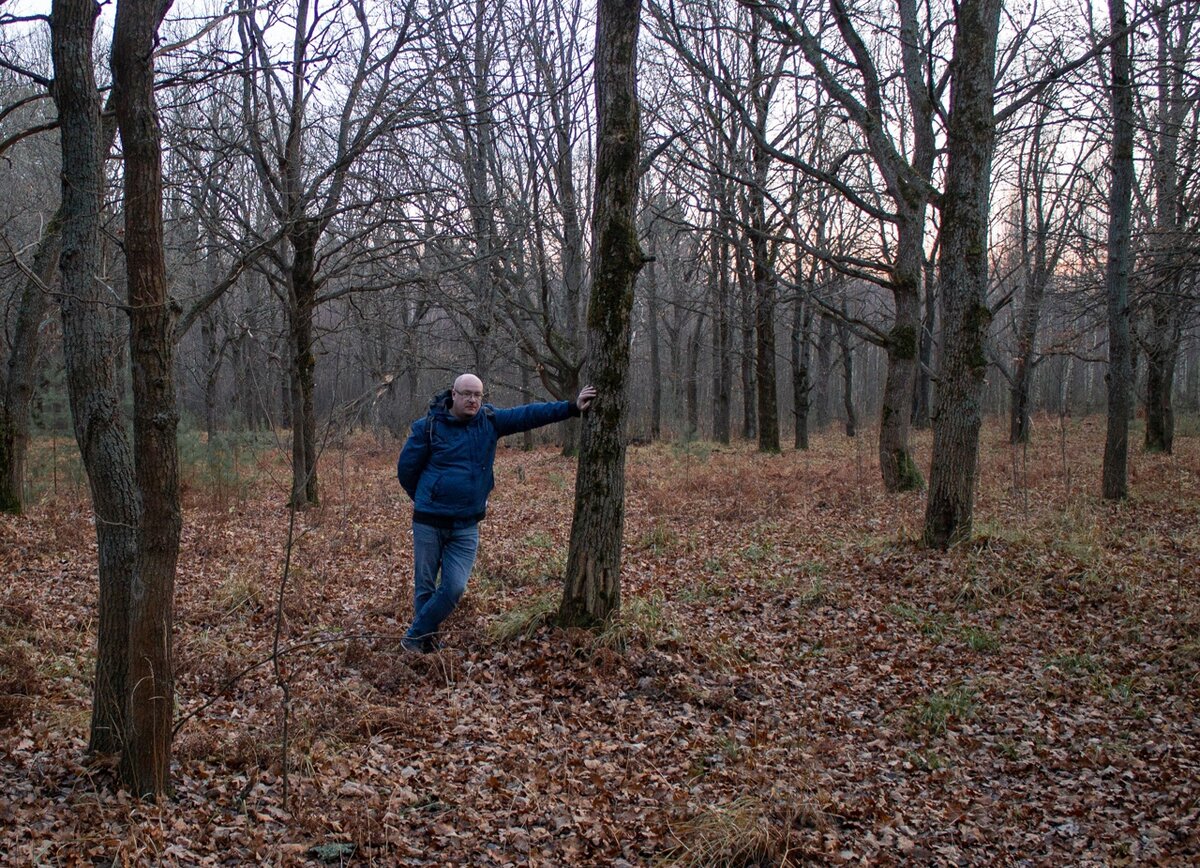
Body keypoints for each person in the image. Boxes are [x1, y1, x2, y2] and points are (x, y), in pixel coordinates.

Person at [395, 373, 597, 653]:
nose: (472, 400)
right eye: (466, 393)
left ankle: (414, 637)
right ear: (453, 394)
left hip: (466, 525)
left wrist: (571, 407)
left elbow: (528, 415)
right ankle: (423, 644)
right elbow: (406, 470)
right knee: (425, 588)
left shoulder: (489, 422)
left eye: (477, 395)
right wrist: (426, 497)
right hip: (429, 521)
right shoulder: (427, 427)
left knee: (453, 588)